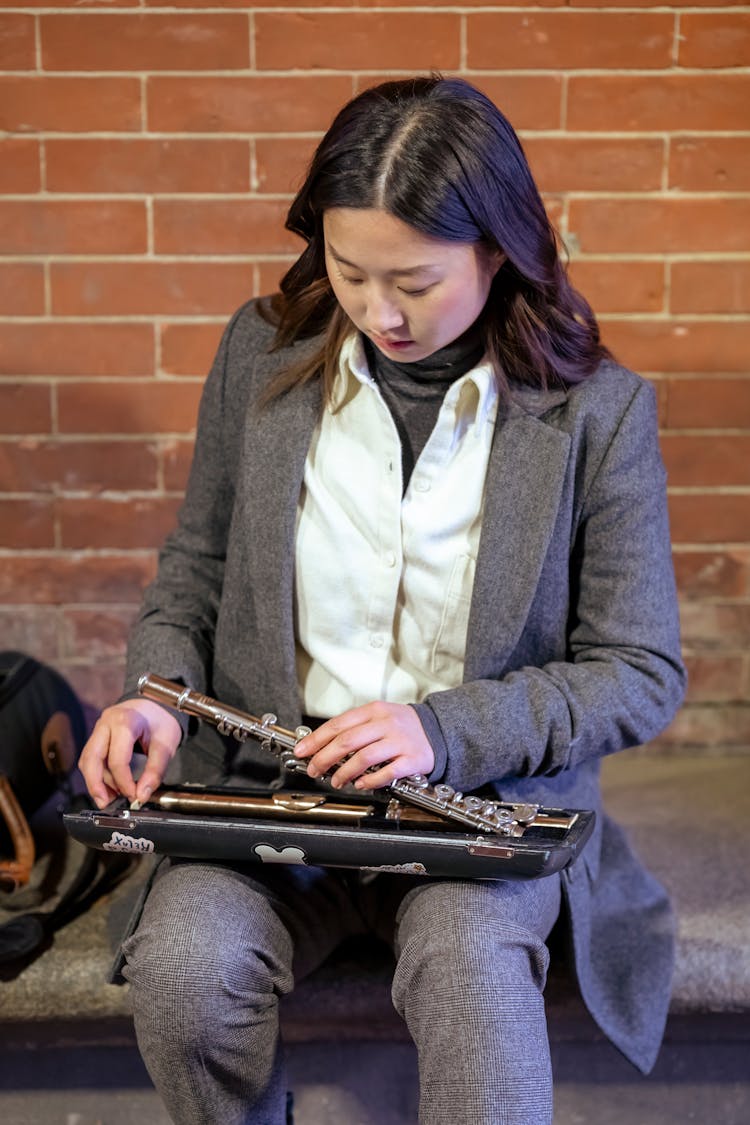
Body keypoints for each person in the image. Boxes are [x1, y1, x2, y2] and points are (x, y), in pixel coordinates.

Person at [78, 76, 686, 1125]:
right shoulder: (261, 352)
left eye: (413, 279)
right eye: (349, 271)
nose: (378, 312)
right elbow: (197, 569)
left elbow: (640, 671)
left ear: (499, 253)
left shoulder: (597, 413)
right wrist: (157, 702)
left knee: (474, 988)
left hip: (473, 812)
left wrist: (439, 730)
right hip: (268, 792)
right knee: (184, 977)